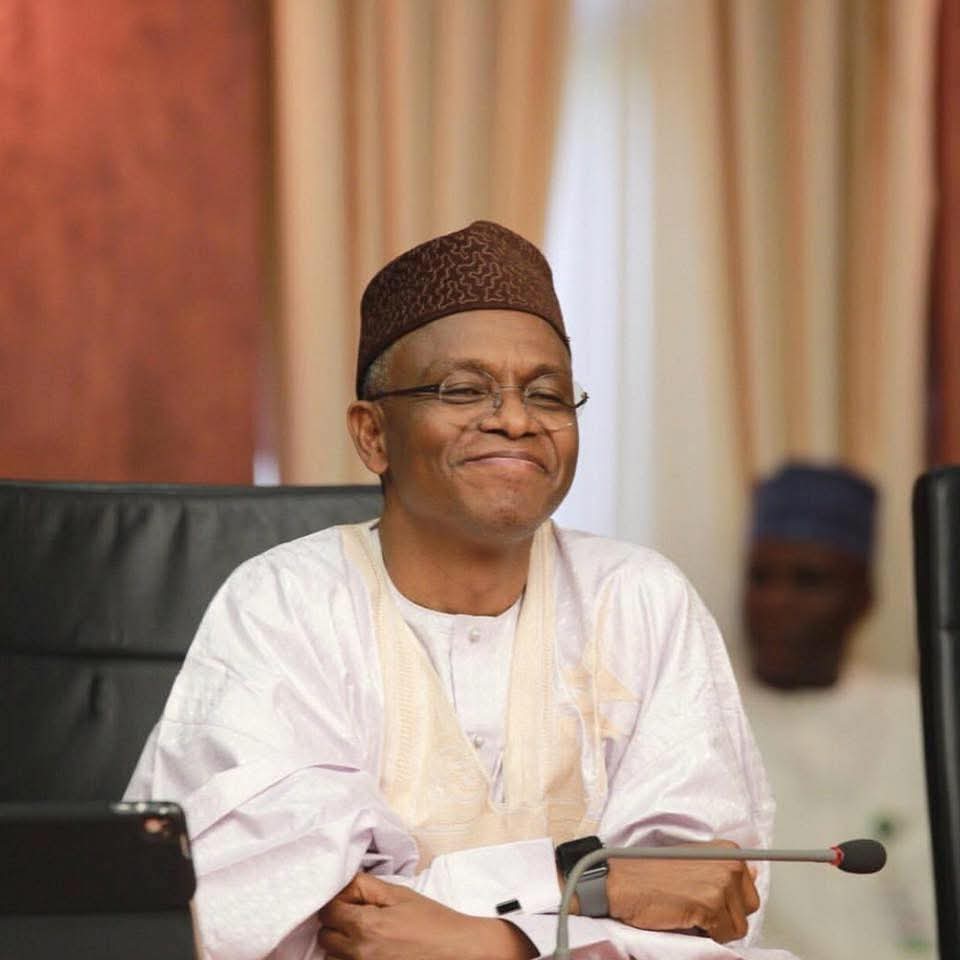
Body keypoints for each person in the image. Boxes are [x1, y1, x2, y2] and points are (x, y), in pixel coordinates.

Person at [126, 221, 790, 960]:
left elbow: (704, 904)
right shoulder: (286, 604)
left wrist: (498, 943)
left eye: (548, 395)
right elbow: (267, 912)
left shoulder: (638, 600)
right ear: (373, 435)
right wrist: (586, 883)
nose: (515, 420)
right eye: (465, 390)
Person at [739, 462, 936, 959]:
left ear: (863, 597)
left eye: (808, 581)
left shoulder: (920, 722)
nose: (776, 603)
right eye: (762, 578)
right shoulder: (702, 721)